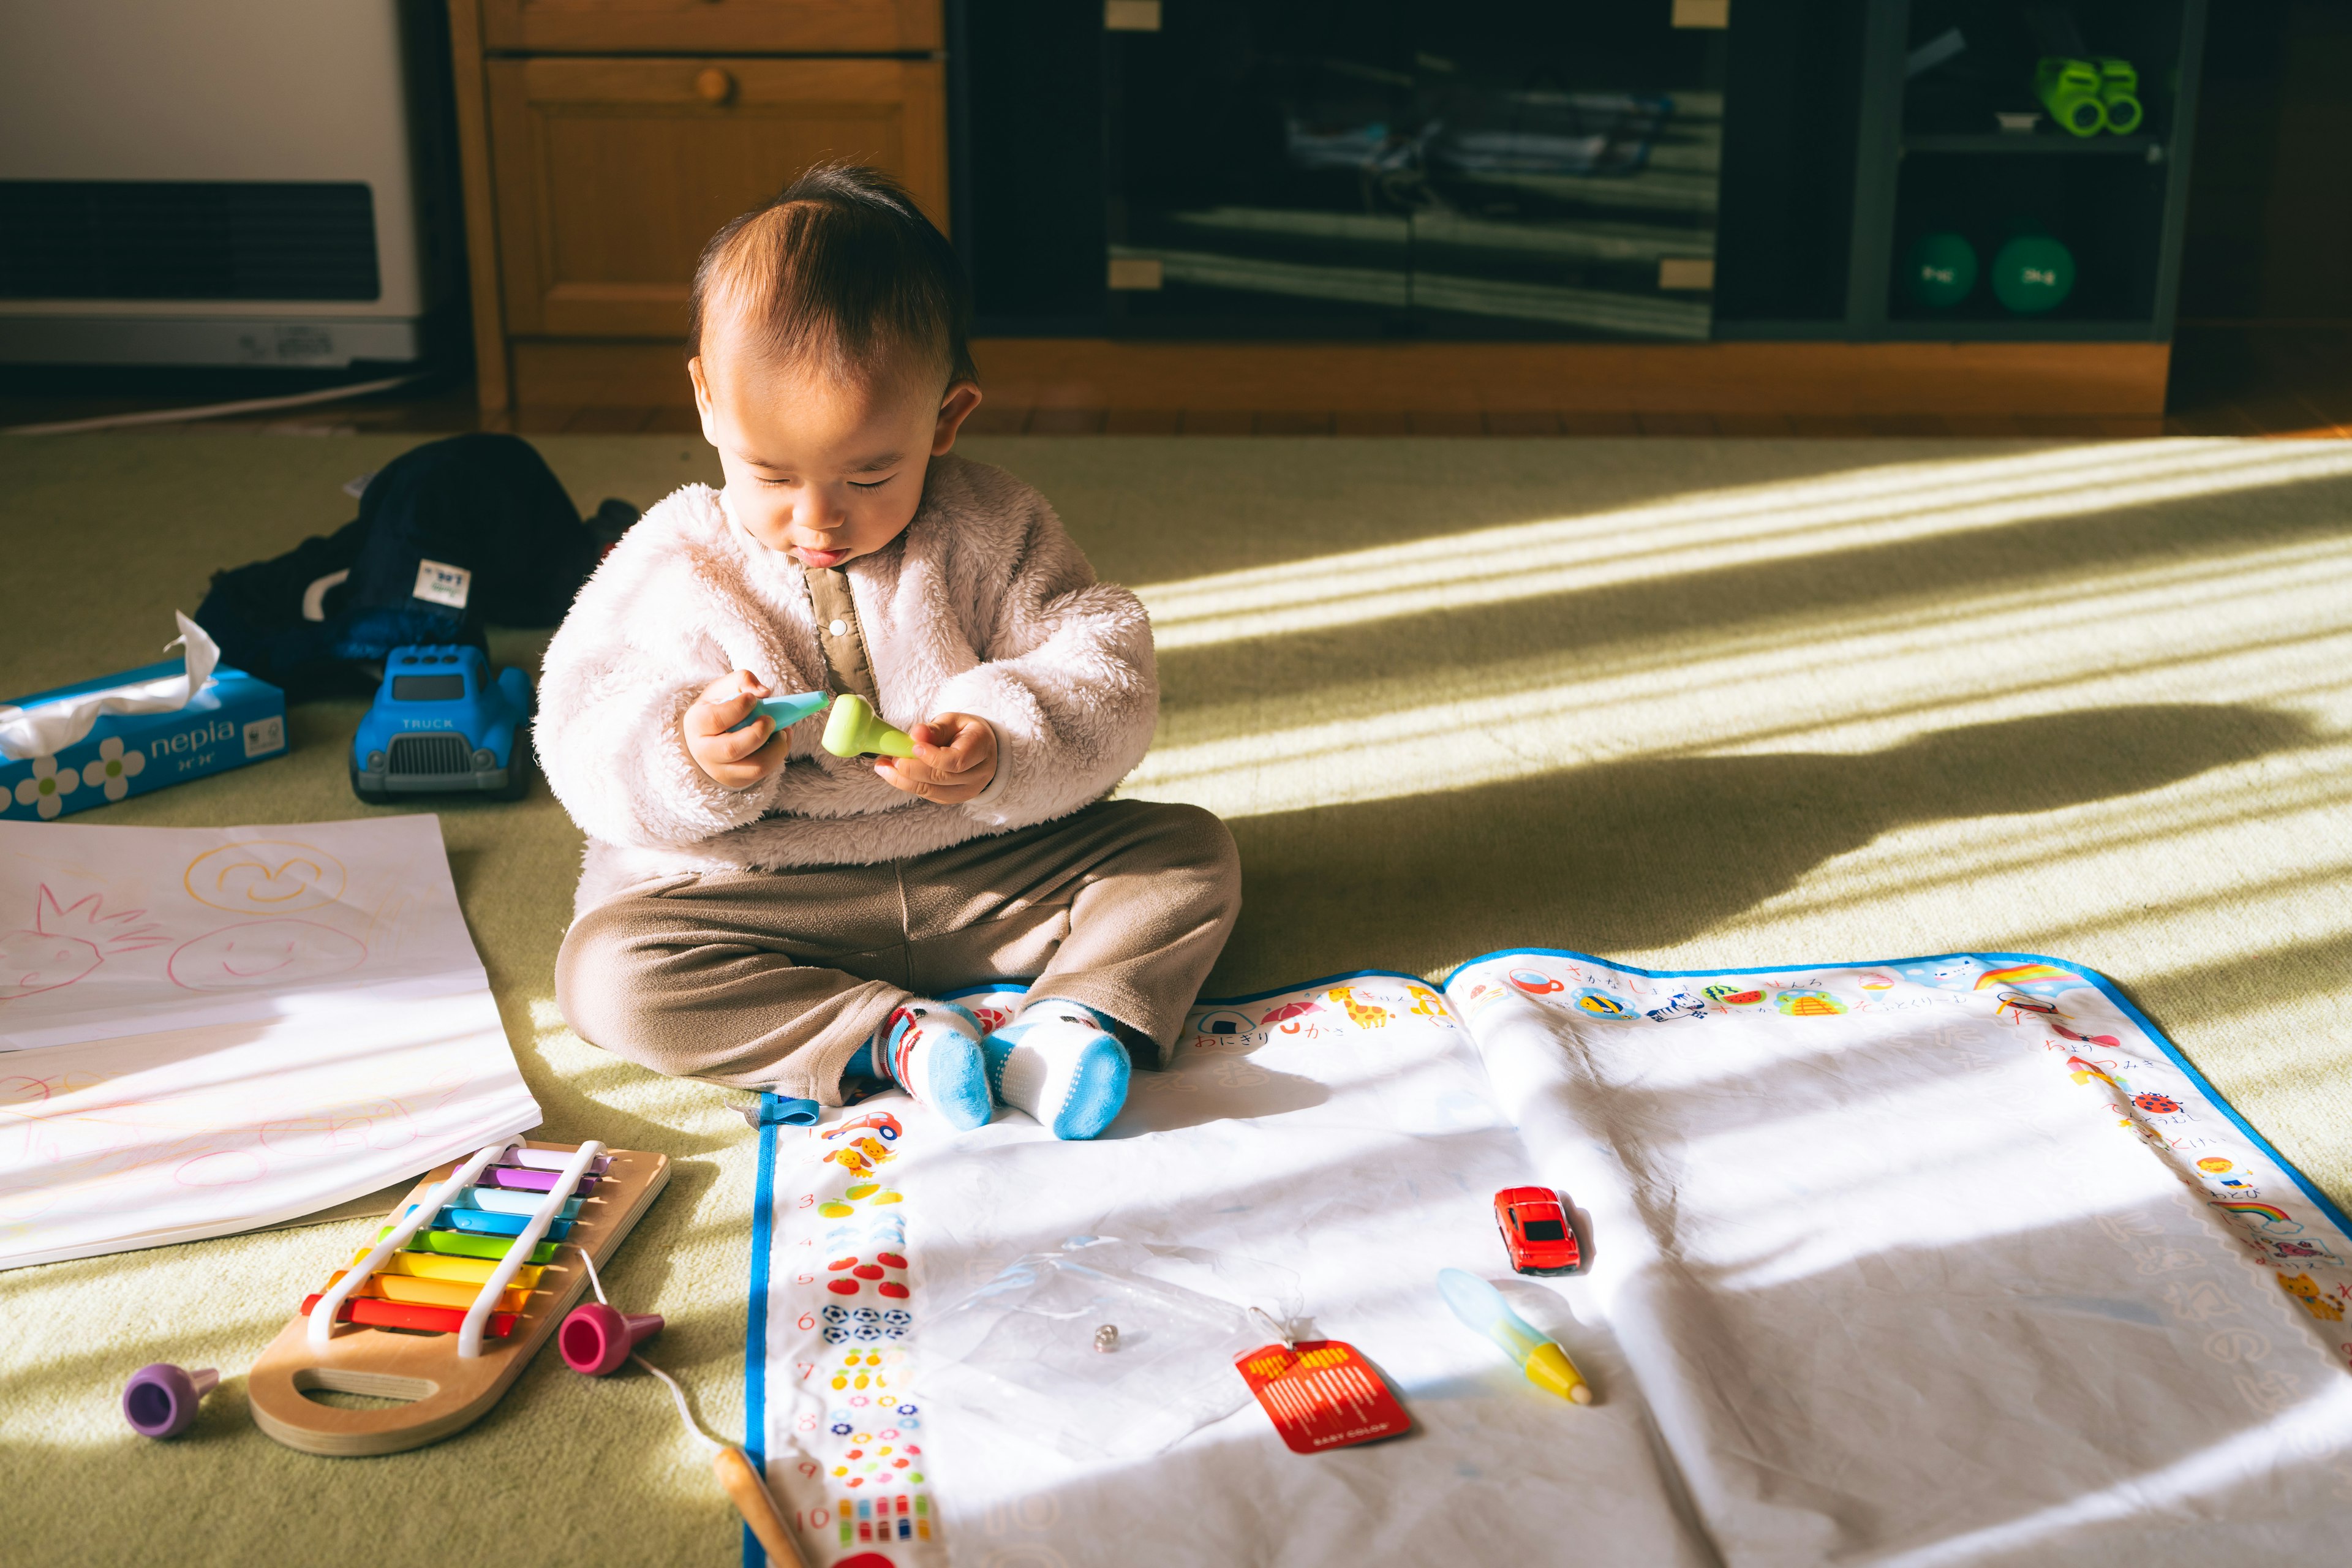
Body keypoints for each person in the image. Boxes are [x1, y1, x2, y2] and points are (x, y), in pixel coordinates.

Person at [538, 165, 1238, 1140]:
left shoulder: (992, 527)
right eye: (771, 474)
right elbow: (578, 725)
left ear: (947, 419)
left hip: (985, 874)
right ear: (707, 405)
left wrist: (1003, 742)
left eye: (871, 473)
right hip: (764, 902)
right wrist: (687, 753)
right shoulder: (675, 559)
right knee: (603, 973)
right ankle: (889, 1038)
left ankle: (1071, 1022)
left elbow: (1105, 660)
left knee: (1189, 853)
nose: (816, 518)